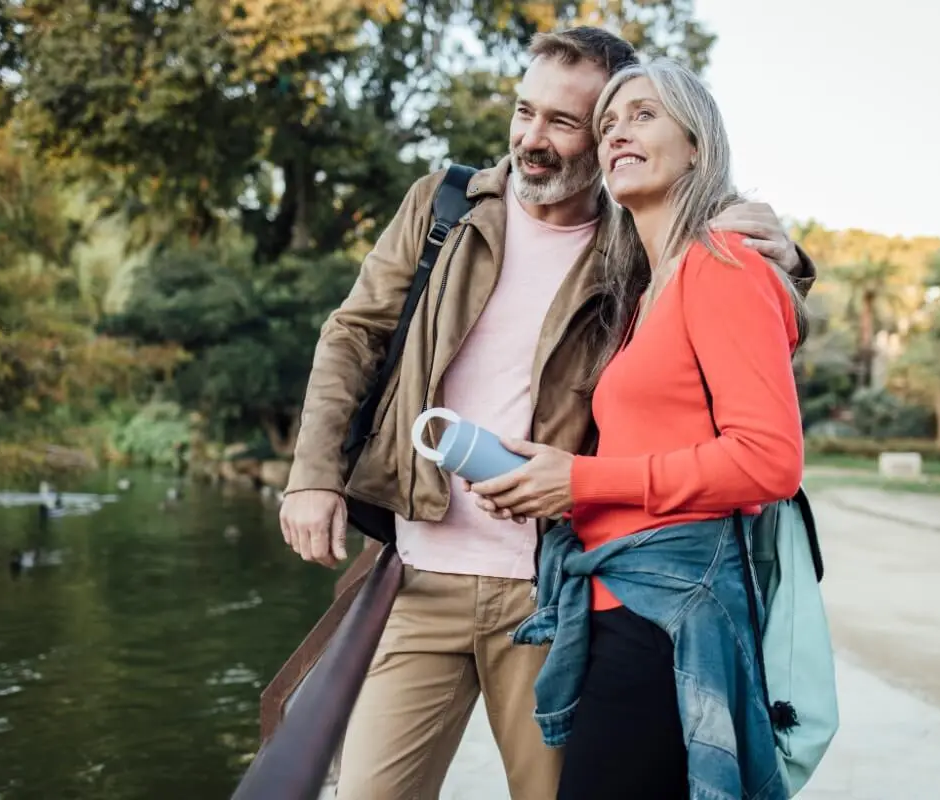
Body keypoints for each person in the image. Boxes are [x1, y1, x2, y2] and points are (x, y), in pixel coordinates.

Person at [279, 28, 816, 800]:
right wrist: (313, 476)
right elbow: (351, 334)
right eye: (525, 111)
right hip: (420, 576)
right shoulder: (447, 206)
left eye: (566, 122)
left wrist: (791, 259)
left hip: (553, 590)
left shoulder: (634, 243)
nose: (533, 138)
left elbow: (750, 325)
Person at [468, 58, 806, 799]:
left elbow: (770, 461)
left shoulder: (723, 267)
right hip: (619, 607)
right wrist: (552, 485)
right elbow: (651, 446)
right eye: (609, 122)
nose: (619, 130)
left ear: (697, 145)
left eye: (644, 114)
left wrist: (582, 479)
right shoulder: (649, 290)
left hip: (669, 617)